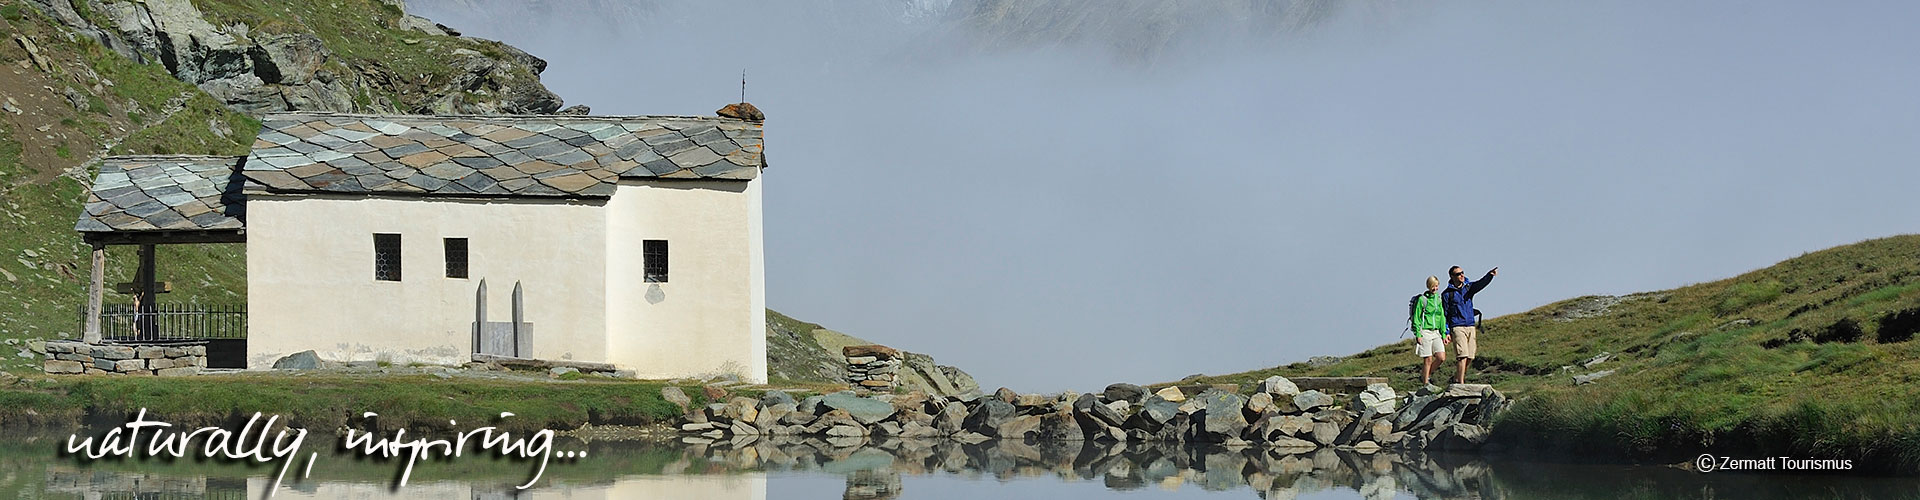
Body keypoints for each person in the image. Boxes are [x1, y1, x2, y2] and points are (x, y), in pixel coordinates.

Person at [1443, 265, 1498, 384]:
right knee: (1462, 356)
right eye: (1458, 274)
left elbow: (1480, 284)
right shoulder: (1447, 294)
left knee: (1470, 356)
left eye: (1462, 273)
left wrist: (1489, 275)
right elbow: (1445, 314)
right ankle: (1460, 383)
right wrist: (1446, 332)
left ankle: (1457, 377)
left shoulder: (1468, 288)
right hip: (1457, 326)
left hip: (1470, 325)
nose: (1462, 275)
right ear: (1452, 277)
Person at [1408, 276, 1449, 387]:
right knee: (1428, 359)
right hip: (1425, 331)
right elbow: (1417, 317)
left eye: (1436, 286)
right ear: (1428, 286)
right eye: (1433, 286)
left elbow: (1441, 317)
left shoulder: (1438, 299)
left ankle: (1426, 374)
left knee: (1441, 357)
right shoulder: (1422, 300)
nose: (1435, 288)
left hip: (1436, 332)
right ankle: (1425, 383)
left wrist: (1444, 333)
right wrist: (1418, 334)